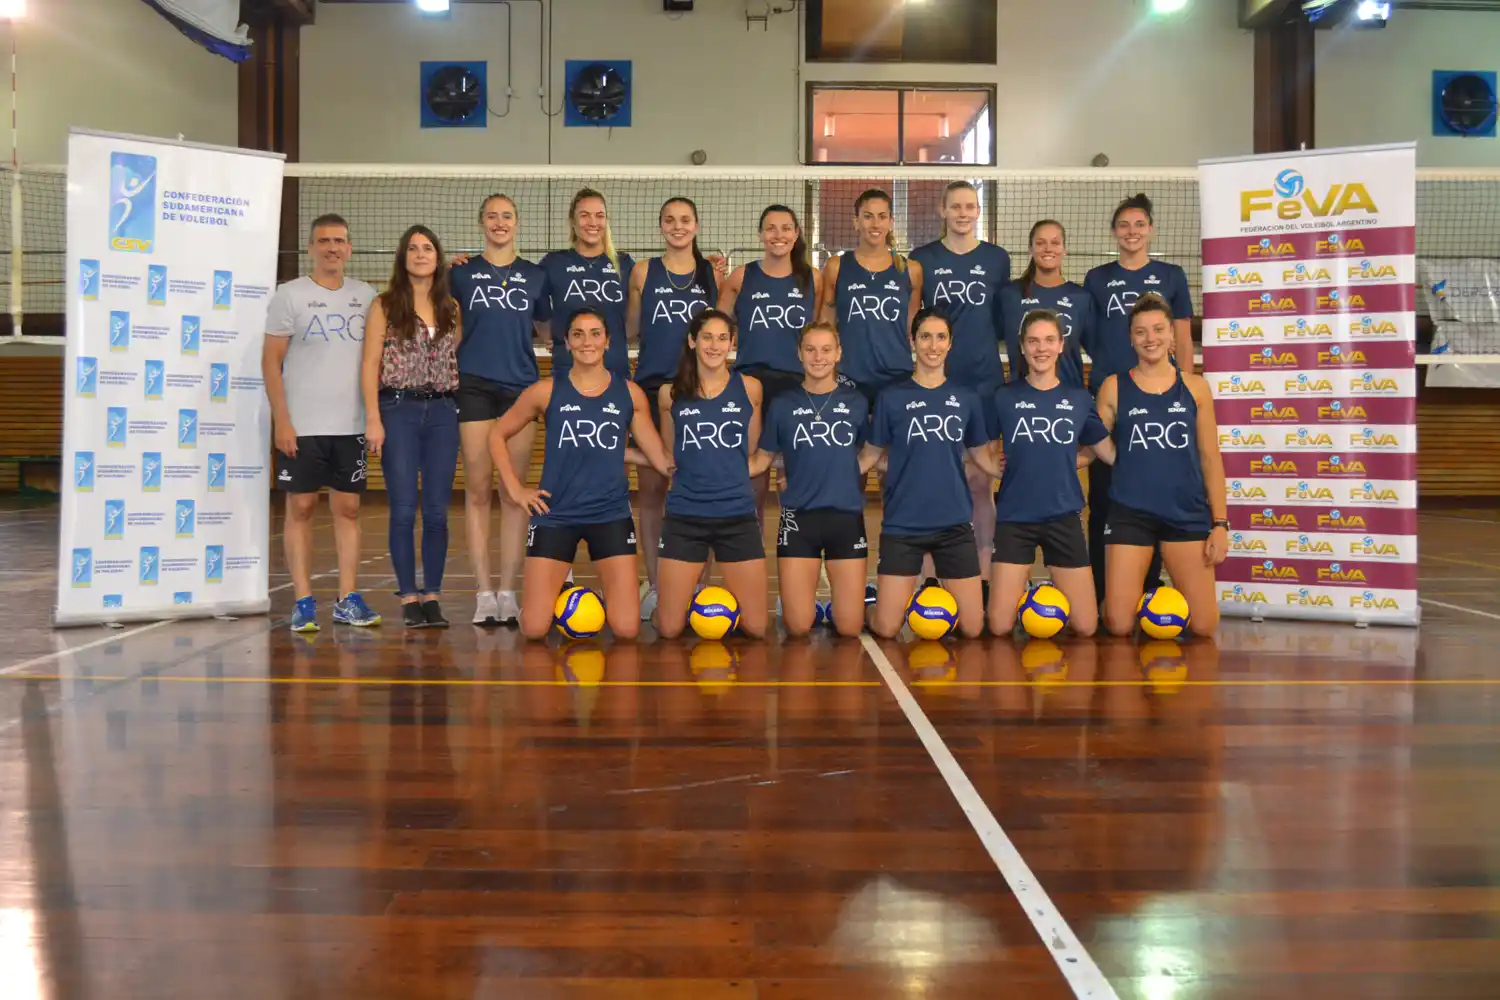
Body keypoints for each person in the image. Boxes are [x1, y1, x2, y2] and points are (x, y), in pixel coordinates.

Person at [491, 307, 674, 641]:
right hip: (555, 513)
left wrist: (701, 469)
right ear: (567, 342)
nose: (587, 341)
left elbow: (660, 458)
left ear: (607, 342)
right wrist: (516, 491)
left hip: (610, 513)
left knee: (627, 629)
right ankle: (564, 595)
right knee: (532, 628)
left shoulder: (629, 394)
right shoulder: (546, 391)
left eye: (595, 334)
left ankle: (594, 600)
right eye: (578, 334)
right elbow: (496, 434)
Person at [261, 213, 381, 632]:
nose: (333, 247)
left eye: (340, 241)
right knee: (302, 507)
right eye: (324, 240)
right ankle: (303, 601)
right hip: (303, 425)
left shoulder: (367, 296)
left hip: (350, 425)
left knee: (348, 509)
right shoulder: (289, 296)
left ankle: (347, 599)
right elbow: (271, 363)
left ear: (349, 248)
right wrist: (282, 421)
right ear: (311, 248)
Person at [859, 309, 999, 640]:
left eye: (940, 337)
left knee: (973, 627)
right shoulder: (891, 397)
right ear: (912, 341)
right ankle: (865, 607)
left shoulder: (967, 398)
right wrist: (819, 471)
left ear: (950, 344)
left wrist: (1022, 469)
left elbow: (982, 456)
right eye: (925, 337)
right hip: (903, 525)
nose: (932, 346)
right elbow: (869, 456)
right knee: (888, 627)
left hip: (953, 525)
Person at [1083, 193, 1195, 603]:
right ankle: (1099, 588)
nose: (1132, 232)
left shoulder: (1171, 275)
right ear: (1114, 232)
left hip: (1160, 399)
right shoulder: (1096, 279)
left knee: (1155, 494)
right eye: (1124, 225)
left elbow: (1181, 338)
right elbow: (1089, 338)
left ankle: (1149, 587)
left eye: (1139, 225)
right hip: (1111, 399)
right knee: (1105, 493)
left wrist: (1182, 388)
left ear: (1151, 230)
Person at [1093, 296, 1227, 638]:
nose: (1149, 338)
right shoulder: (1113, 386)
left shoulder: (1196, 388)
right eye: (1140, 332)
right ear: (1131, 338)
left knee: (1204, 625)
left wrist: (1221, 524)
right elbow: (1092, 445)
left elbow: (1210, 457)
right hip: (1130, 513)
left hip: (1185, 513)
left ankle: (1158, 599)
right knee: (1119, 624)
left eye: (1157, 330)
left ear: (1172, 335)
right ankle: (1146, 599)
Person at [448, 193, 551, 627]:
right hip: (472, 385)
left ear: (518, 222)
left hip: (520, 389)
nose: (499, 222)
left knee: (514, 493)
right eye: (491, 216)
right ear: (481, 223)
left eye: (507, 215)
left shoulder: (535, 276)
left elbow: (546, 328)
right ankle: (483, 593)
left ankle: (508, 592)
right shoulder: (462, 273)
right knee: (476, 491)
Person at [910, 179, 1012, 581]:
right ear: (942, 210)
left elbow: (1006, 317)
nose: (963, 213)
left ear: (978, 211)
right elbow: (912, 320)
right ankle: (928, 578)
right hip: (937, 383)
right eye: (956, 206)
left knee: (979, 482)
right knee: (934, 480)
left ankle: (983, 575)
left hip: (984, 381)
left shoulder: (996, 259)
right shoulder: (923, 258)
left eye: (970, 206)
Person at [362, 225, 462, 628]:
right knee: (403, 509)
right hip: (398, 410)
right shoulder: (384, 306)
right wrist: (373, 417)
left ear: (437, 258)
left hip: (441, 413)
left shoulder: (451, 307)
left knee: (437, 512)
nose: (421, 254)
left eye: (428, 248)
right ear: (403, 257)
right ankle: (407, 597)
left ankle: (432, 596)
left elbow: (451, 353)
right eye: (413, 248)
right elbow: (370, 364)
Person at [987, 310, 1107, 638]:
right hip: (1015, 518)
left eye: (1049, 340)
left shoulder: (1079, 399)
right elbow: (978, 446)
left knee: (1085, 626)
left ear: (1061, 346)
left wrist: (1070, 460)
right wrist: (989, 464)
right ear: (1022, 347)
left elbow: (1104, 450)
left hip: (1063, 517)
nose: (1041, 348)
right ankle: (1030, 599)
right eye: (1033, 341)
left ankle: (1040, 600)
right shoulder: (1004, 397)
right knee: (998, 626)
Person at [626, 196, 718, 622]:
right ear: (661, 226)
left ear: (696, 226)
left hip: (696, 391)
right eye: (670, 220)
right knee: (651, 491)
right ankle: (655, 583)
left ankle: (701, 585)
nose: (678, 227)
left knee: (701, 487)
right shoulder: (643, 272)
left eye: (685, 220)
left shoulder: (709, 273)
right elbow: (629, 328)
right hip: (649, 387)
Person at [750, 321, 869, 638]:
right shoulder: (783, 404)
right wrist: (710, 465)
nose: (819, 357)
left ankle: (841, 604)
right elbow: (762, 459)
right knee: (798, 626)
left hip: (845, 518)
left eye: (826, 349)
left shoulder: (857, 402)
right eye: (811, 349)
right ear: (799, 354)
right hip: (798, 519)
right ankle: (803, 604)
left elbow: (872, 454)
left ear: (838, 353)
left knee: (850, 627)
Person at [656, 309, 769, 640]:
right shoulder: (670, 394)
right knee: (669, 628)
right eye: (707, 337)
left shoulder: (750, 389)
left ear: (732, 343)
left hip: (736, 516)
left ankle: (717, 607)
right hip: (685, 516)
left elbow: (750, 452)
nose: (714, 345)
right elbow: (670, 456)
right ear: (693, 341)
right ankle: (700, 605)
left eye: (723, 338)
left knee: (758, 627)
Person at [719, 204, 820, 528]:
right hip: (751, 385)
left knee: (795, 477)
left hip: (796, 386)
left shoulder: (812, 278)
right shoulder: (740, 277)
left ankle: (796, 552)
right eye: (771, 228)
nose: (779, 235)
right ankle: (751, 558)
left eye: (786, 227)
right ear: (761, 234)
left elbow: (820, 333)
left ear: (796, 233)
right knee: (754, 480)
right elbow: (716, 330)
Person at [817, 188, 923, 409]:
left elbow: (911, 326)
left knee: (893, 443)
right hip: (849, 375)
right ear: (856, 222)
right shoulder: (837, 266)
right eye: (868, 216)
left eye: (882, 216)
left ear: (891, 222)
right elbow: (826, 323)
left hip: (896, 374)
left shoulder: (911, 270)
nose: (875, 224)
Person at [539, 188, 635, 377]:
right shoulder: (553, 263)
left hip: (615, 372)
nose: (593, 222)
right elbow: (538, 311)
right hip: (567, 372)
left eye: (600, 216)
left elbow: (634, 321)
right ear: (572, 222)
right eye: (584, 215)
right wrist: (553, 336)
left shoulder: (624, 264)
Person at [998, 220, 1092, 391]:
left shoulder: (1081, 297)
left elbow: (1097, 349)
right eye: (1040, 243)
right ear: (1030, 249)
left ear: (1064, 250)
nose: (1048, 249)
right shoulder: (1009, 296)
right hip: (1020, 396)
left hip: (1069, 397)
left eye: (1055, 243)